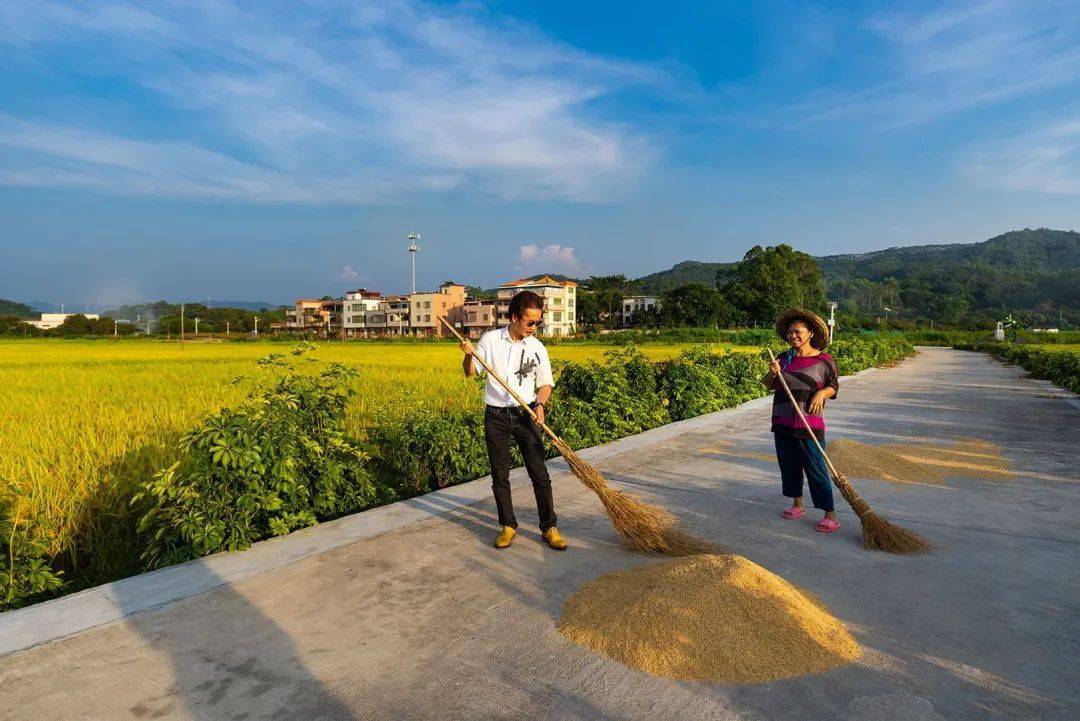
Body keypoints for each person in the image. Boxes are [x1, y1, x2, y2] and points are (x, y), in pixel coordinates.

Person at [459, 290, 567, 550]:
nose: (534, 327)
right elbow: (470, 373)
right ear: (515, 317)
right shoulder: (491, 340)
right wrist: (468, 354)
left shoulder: (537, 347)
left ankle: (549, 526)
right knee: (500, 474)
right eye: (530, 322)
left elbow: (545, 384)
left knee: (539, 472)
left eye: (538, 322)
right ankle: (508, 525)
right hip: (496, 415)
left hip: (525, 413)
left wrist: (540, 405)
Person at [762, 308, 841, 533]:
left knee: (816, 468)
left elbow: (833, 386)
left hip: (809, 423)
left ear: (811, 333)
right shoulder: (783, 358)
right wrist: (773, 372)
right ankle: (797, 505)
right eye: (789, 332)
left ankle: (830, 515)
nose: (792, 336)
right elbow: (769, 384)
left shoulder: (823, 360)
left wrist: (820, 393)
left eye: (798, 331)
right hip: (783, 421)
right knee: (789, 466)